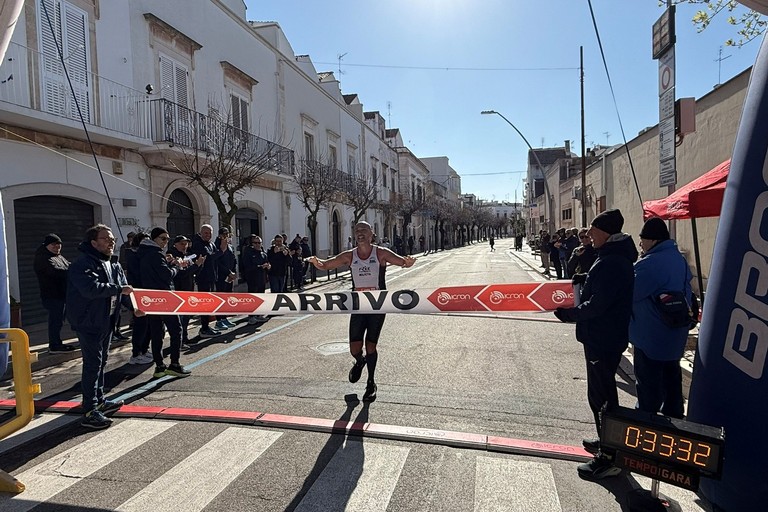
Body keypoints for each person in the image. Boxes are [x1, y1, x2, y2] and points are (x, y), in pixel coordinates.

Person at [553, 209, 638, 480]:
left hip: (603, 337)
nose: (588, 234)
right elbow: (600, 289)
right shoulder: (611, 256)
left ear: (606, 233)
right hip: (603, 336)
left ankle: (610, 457)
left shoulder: (613, 261)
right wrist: (583, 280)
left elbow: (599, 304)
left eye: (593, 230)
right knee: (601, 392)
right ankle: (606, 441)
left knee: (601, 396)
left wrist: (569, 314)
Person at [308, 221, 415, 402]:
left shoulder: (380, 253)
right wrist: (315, 262)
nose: (360, 233)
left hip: (377, 306)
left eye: (364, 230)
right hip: (357, 307)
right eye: (357, 230)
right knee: (354, 348)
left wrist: (408, 262)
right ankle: (359, 361)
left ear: (371, 233)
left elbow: (402, 262)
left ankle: (371, 383)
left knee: (371, 346)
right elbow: (326, 265)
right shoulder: (350, 256)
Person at [66, 224, 132, 429]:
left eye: (112, 239)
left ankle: (100, 400)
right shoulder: (82, 264)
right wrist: (119, 289)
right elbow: (90, 289)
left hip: (106, 321)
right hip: (88, 322)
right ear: (93, 242)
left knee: (101, 363)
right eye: (106, 239)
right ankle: (89, 409)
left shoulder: (113, 264)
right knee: (93, 364)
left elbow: (124, 293)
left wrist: (137, 308)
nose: (111, 242)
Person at [630, 217, 692, 419]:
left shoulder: (651, 263)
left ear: (653, 240)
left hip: (651, 334)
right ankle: (674, 421)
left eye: (643, 240)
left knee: (649, 385)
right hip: (675, 332)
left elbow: (631, 292)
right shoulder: (678, 259)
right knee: (672, 380)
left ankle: (647, 423)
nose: (641, 244)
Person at [138, 227, 192, 379]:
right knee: (176, 330)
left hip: (151, 298)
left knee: (157, 333)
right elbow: (166, 275)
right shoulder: (154, 255)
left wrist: (167, 263)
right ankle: (174, 364)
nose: (166, 242)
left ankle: (159, 366)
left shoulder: (143, 254)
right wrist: (176, 267)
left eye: (167, 239)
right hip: (164, 298)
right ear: (154, 239)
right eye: (163, 239)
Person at [33, 233, 74, 353]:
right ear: (47, 245)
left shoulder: (59, 256)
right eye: (54, 244)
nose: (57, 247)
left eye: (59, 244)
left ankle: (57, 343)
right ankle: (54, 345)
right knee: (55, 320)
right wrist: (71, 272)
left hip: (62, 294)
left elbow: (68, 266)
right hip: (52, 295)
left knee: (60, 320)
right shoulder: (42, 258)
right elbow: (56, 272)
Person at [168, 235, 205, 345]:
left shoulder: (188, 255)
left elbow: (193, 272)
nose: (185, 246)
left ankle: (184, 338)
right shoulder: (173, 257)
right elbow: (182, 273)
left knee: (187, 316)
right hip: (179, 290)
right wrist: (196, 265)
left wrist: (199, 265)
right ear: (176, 244)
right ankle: (179, 341)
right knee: (180, 318)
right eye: (182, 244)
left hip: (189, 289)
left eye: (186, 244)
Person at [124, 232, 152, 364]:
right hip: (138, 293)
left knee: (148, 324)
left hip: (148, 293)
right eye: (144, 241)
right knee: (140, 324)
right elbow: (137, 273)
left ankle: (144, 350)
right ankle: (136, 353)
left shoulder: (145, 255)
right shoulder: (133, 255)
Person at [191, 224, 223, 338]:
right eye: (205, 233)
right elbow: (209, 257)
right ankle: (204, 328)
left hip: (211, 277)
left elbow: (214, 257)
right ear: (201, 232)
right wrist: (221, 251)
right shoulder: (198, 244)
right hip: (203, 278)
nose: (208, 235)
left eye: (209, 233)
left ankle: (207, 326)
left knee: (209, 304)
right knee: (204, 304)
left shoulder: (211, 244)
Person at [241, 235, 270, 324]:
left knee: (261, 297)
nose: (257, 245)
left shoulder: (263, 253)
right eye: (255, 243)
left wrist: (268, 266)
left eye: (259, 243)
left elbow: (267, 263)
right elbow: (247, 266)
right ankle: (251, 316)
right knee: (253, 298)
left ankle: (259, 315)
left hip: (262, 279)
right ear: (252, 244)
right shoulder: (249, 253)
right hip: (252, 278)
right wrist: (260, 266)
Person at [214, 227, 237, 331]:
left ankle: (224, 318)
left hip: (229, 276)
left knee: (227, 297)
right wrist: (228, 272)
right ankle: (219, 320)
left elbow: (233, 259)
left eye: (227, 234)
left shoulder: (230, 246)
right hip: (221, 276)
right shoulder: (217, 246)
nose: (226, 236)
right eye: (224, 234)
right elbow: (217, 262)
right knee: (221, 298)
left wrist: (233, 272)